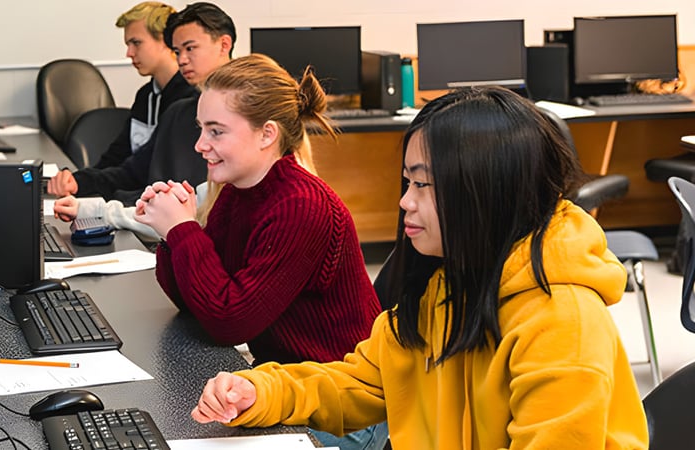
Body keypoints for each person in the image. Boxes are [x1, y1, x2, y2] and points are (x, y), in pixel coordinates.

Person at [188, 87, 650, 449]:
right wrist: (259, 391)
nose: (405, 202)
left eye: (425, 185)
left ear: (487, 192)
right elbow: (363, 382)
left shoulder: (561, 322)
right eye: (408, 182)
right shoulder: (448, 284)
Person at [133, 54, 388, 449]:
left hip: (344, 411)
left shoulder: (302, 205)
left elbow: (231, 322)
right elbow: (194, 301)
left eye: (216, 131)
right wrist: (170, 234)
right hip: (283, 386)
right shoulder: (238, 192)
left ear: (267, 134)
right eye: (201, 129)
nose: (201, 145)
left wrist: (183, 230)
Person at [48, 2, 233, 207]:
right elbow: (134, 169)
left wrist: (109, 208)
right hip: (156, 215)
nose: (182, 59)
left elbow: (190, 196)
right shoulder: (176, 110)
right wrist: (81, 183)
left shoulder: (237, 111)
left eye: (189, 48)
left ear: (224, 45)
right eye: (178, 51)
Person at [100, 2, 197, 169]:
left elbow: (145, 169)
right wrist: (76, 181)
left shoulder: (190, 100)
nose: (129, 53)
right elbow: (117, 155)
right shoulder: (145, 96)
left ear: (166, 40)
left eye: (136, 43)